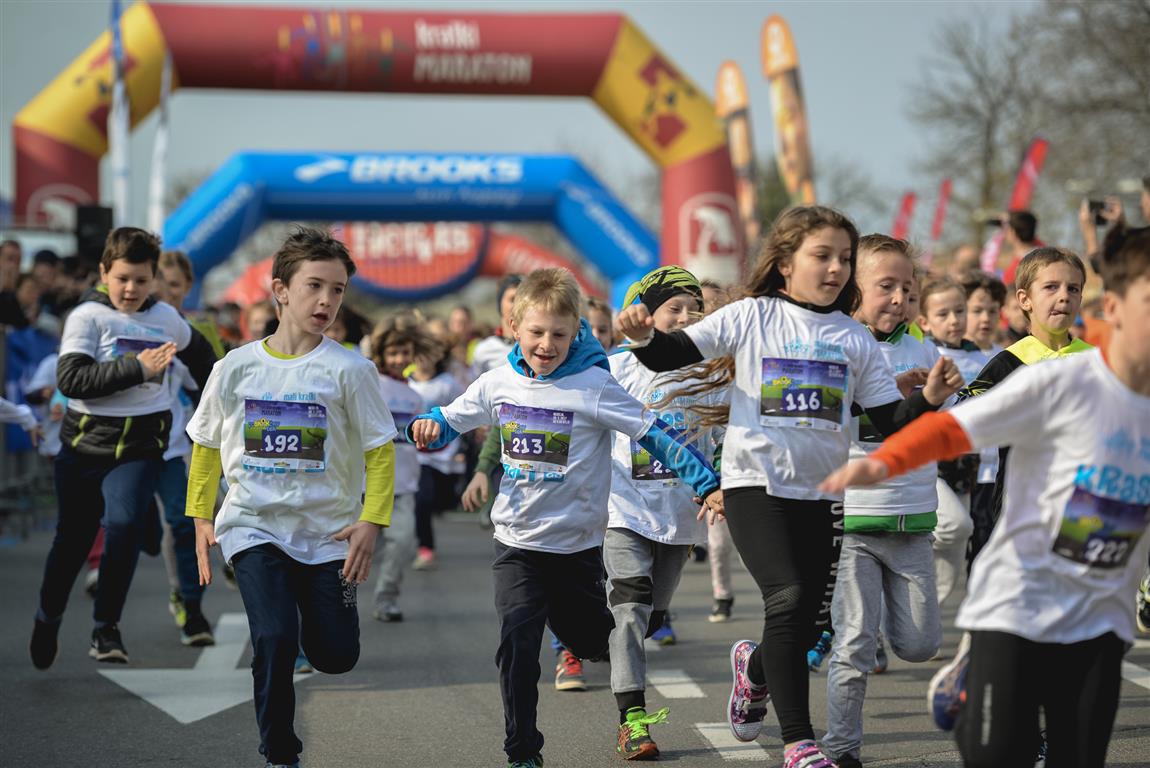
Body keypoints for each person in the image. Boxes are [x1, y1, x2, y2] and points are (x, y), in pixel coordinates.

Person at [615, 206, 962, 768]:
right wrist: (642, 337)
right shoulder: (752, 316)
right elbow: (670, 354)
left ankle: (753, 669)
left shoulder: (852, 338)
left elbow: (887, 421)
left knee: (802, 624)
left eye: (845, 258)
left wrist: (928, 399)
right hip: (755, 486)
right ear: (784, 263)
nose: (836, 268)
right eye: (822, 256)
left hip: (821, 495)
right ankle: (799, 743)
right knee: (789, 599)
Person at [819, 224, 1150, 768]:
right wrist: (882, 462)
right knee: (998, 753)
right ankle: (969, 686)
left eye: (1073, 289)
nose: (1063, 298)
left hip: (1100, 613)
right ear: (1113, 307)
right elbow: (954, 427)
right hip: (1018, 598)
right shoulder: (1057, 379)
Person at [408, 267, 722, 768]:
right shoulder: (498, 382)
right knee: (517, 643)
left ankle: (603, 631)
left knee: (600, 639)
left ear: (577, 330)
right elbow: (451, 418)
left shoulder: (594, 385)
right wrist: (428, 427)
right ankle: (523, 752)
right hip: (516, 545)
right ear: (514, 326)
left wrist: (706, 481)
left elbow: (654, 434)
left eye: (559, 334)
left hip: (576, 551)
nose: (546, 345)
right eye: (536, 332)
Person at [186, 227, 398, 768]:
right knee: (276, 635)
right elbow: (206, 445)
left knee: (337, 655)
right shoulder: (234, 368)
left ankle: (320, 612)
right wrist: (201, 516)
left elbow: (379, 452)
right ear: (280, 290)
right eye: (314, 286)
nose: (326, 300)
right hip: (253, 525)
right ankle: (280, 750)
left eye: (337, 289)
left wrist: (372, 520)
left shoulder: (351, 370)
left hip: (329, 534)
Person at [28, 227, 216, 669]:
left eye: (141, 280)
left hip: (139, 447)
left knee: (125, 524)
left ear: (153, 278)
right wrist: (137, 367)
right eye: (122, 279)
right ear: (104, 273)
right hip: (84, 446)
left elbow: (207, 363)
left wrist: (218, 410)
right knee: (72, 543)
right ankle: (47, 617)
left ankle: (106, 627)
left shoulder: (167, 318)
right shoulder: (87, 317)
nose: (130, 289)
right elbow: (72, 380)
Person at [820, 235, 944, 768]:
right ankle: (841, 748)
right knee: (853, 644)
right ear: (854, 290)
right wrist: (891, 393)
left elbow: (944, 423)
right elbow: (826, 418)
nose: (898, 298)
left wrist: (935, 399)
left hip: (913, 523)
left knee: (920, 646)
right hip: (854, 521)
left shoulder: (927, 350)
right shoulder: (836, 346)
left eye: (907, 288)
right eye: (885, 286)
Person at [605, 265, 728, 759]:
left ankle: (622, 634)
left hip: (679, 517)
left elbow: (725, 438)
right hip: (623, 510)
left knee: (652, 617)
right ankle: (632, 719)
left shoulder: (709, 373)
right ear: (647, 314)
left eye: (694, 310)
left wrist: (720, 483)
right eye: (673, 308)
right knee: (630, 610)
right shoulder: (616, 369)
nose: (684, 317)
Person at [959, 248, 1091, 565]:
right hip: (1020, 509)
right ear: (1024, 299)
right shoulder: (1008, 362)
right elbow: (964, 414)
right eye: (1051, 287)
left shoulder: (1095, 361)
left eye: (1073, 288)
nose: (1064, 296)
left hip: (1082, 509)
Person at [152, 249, 219, 646]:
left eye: (175, 285)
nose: (167, 292)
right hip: (123, 447)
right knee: (134, 525)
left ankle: (190, 605)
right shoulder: (124, 322)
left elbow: (211, 387)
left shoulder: (197, 332)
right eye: (160, 283)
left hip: (179, 445)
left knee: (182, 520)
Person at [916, 277, 983, 606]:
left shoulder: (982, 357)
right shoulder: (924, 354)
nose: (954, 320)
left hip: (967, 465)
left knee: (955, 552)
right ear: (924, 322)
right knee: (956, 526)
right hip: (931, 463)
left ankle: (925, 614)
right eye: (943, 314)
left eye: (960, 311)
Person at [367, 313, 432, 622]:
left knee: (403, 542)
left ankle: (386, 598)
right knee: (350, 550)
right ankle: (336, 601)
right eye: (392, 352)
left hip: (403, 484)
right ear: (381, 353)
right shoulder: (370, 384)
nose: (399, 359)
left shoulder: (415, 397)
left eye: (405, 352)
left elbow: (420, 440)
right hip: (365, 484)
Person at [959, 271, 1007, 575]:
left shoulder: (1007, 358)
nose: (985, 319)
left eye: (992, 311)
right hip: (956, 470)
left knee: (986, 549)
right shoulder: (944, 354)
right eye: (977, 310)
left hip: (993, 469)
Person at [408, 333, 466, 571]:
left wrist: (461, 448)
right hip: (417, 455)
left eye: (428, 353)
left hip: (445, 454)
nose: (423, 359)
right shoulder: (406, 384)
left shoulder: (448, 383)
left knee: (441, 500)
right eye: (418, 353)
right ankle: (426, 548)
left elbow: (462, 415)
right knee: (422, 499)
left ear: (438, 355)